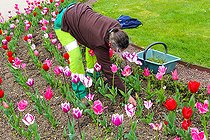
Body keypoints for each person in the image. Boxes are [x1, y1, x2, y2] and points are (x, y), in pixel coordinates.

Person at [54, 2, 136, 106]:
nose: (118, 53)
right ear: (110, 43)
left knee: (91, 49)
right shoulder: (99, 43)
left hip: (79, 15)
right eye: (118, 50)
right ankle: (80, 93)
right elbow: (108, 70)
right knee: (76, 56)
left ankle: (92, 76)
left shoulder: (115, 27)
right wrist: (126, 94)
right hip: (63, 22)